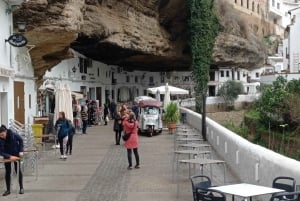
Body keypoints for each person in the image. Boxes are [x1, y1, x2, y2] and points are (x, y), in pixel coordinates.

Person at [0, 125, 24, 196]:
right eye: (0, 135)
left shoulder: (13, 134)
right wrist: (9, 156)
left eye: (2, 134)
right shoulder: (0, 138)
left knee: (18, 171)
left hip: (16, 154)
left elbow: (21, 140)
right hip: (7, 155)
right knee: (8, 172)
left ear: (6, 131)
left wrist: (21, 150)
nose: (1, 136)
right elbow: (0, 151)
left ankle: (21, 188)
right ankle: (8, 190)